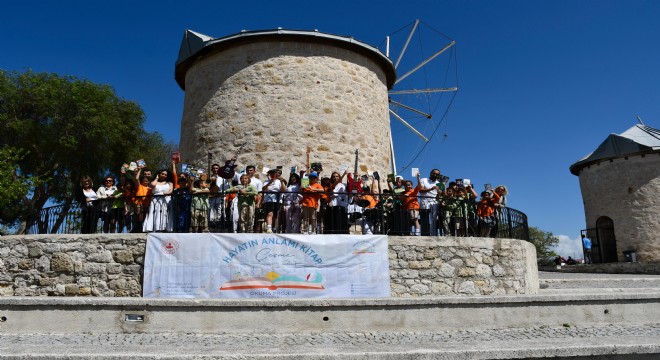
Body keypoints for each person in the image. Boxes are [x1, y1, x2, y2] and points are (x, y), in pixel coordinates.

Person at [261, 169, 286, 233]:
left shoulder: (279, 181)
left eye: (273, 174)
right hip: (269, 199)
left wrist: (282, 182)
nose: (272, 175)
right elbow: (263, 189)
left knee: (276, 215)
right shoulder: (266, 181)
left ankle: (275, 228)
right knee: (270, 213)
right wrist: (269, 183)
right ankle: (269, 228)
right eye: (271, 174)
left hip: (277, 199)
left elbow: (284, 190)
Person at [419, 169, 443, 236]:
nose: (435, 175)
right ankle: (424, 234)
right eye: (434, 173)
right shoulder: (423, 180)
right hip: (424, 202)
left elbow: (442, 194)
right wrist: (431, 189)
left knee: (433, 219)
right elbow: (420, 190)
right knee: (424, 219)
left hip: (434, 203)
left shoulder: (439, 183)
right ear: (430, 173)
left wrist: (440, 191)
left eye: (437, 174)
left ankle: (433, 234)